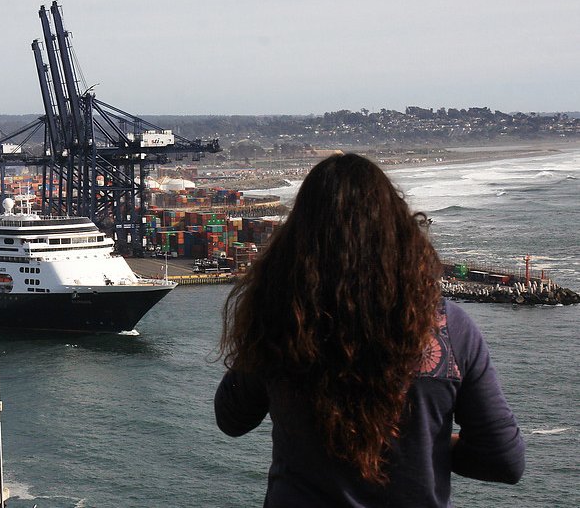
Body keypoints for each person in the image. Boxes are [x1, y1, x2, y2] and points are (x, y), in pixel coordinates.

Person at [214, 153, 524, 507]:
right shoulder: (448, 329)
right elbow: (504, 461)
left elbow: (232, 418)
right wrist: (432, 446)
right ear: (399, 235)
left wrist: (263, 317)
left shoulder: (283, 323)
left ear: (298, 240)